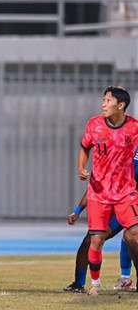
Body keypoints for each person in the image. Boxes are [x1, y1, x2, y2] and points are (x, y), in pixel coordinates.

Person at [78, 85, 138, 296]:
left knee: (135, 234)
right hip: (99, 194)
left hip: (125, 193)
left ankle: (127, 276)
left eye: (109, 100)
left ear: (121, 106)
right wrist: (81, 167)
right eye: (103, 100)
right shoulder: (94, 125)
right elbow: (85, 146)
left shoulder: (134, 127)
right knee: (95, 240)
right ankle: (95, 283)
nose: (104, 104)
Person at [64, 191, 134, 292]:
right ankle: (79, 283)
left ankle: (125, 276)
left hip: (128, 205)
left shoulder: (130, 174)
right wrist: (77, 211)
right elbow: (92, 188)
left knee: (130, 237)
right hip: (107, 207)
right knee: (89, 240)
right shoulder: (99, 175)